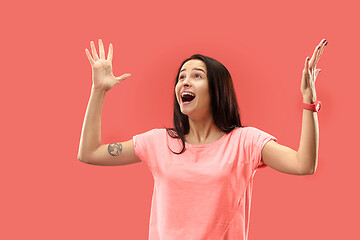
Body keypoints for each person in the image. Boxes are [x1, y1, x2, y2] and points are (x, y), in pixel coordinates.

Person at [77, 38, 327, 239]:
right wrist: (98, 91)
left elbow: (303, 165)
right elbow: (90, 153)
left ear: (218, 89)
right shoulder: (158, 142)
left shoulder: (245, 142)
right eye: (181, 77)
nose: (185, 82)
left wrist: (309, 101)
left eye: (197, 76)